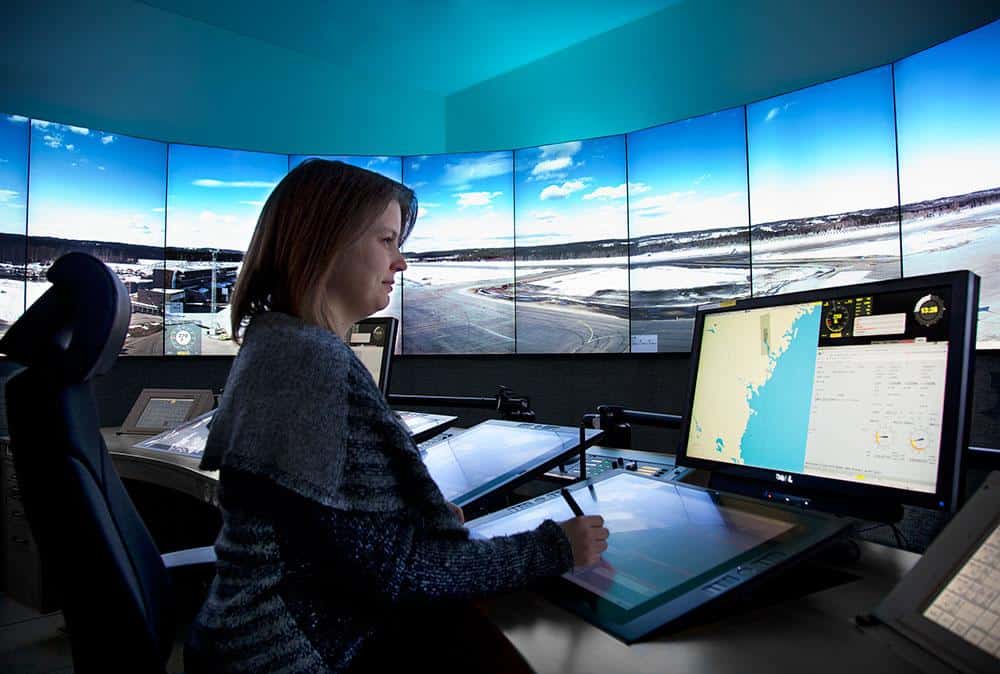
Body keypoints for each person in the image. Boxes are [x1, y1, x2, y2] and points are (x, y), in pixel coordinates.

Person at [185, 159, 609, 673]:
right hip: (297, 656)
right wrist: (555, 548)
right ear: (324, 243)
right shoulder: (313, 363)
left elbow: (330, 540)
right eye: (387, 241)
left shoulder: (275, 346)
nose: (402, 262)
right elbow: (403, 573)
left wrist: (402, 526)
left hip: (245, 643)